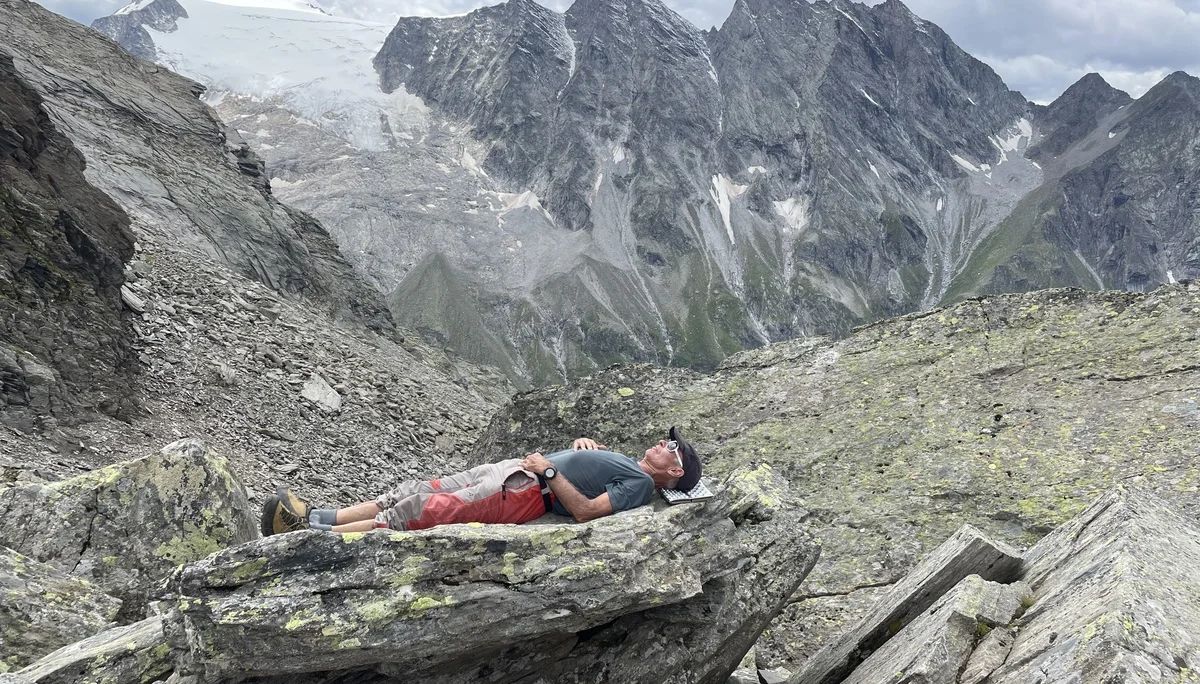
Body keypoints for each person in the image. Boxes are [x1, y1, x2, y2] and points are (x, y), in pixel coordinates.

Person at [262, 426, 703, 535]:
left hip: (524, 491)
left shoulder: (645, 487)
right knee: (412, 492)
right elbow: (590, 480)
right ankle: (315, 516)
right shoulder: (633, 467)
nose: (664, 443)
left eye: (672, 447)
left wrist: (549, 470)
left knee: (418, 513)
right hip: (513, 472)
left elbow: (586, 512)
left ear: (675, 472)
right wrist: (584, 448)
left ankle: (313, 535)